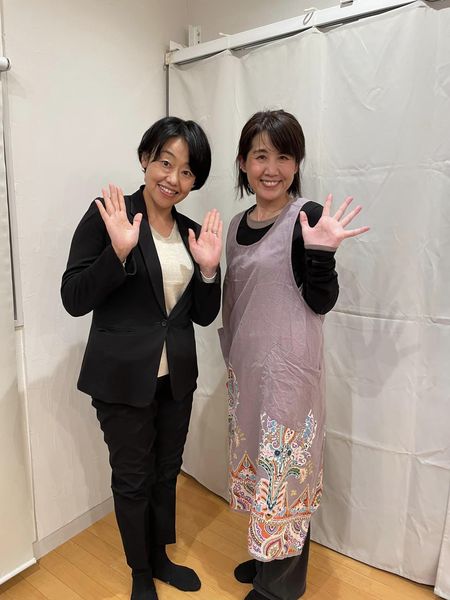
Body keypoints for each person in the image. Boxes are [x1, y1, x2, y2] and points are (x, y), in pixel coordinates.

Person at [61, 116, 222, 600]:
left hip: (176, 380)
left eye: (187, 171)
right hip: (122, 379)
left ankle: (160, 557)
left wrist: (209, 270)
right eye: (165, 163)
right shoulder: (111, 214)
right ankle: (139, 572)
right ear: (145, 159)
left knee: (165, 472)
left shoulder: (191, 232)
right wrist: (116, 253)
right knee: (133, 479)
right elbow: (73, 297)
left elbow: (203, 315)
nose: (173, 178)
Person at [219, 109, 369, 600]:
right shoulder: (237, 224)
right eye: (260, 155)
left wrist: (322, 256)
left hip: (289, 377)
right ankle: (267, 562)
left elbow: (321, 301)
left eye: (284, 157)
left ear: (297, 163)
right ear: (243, 162)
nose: (272, 168)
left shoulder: (305, 217)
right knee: (261, 472)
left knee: (285, 477)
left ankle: (279, 589)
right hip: (248, 374)